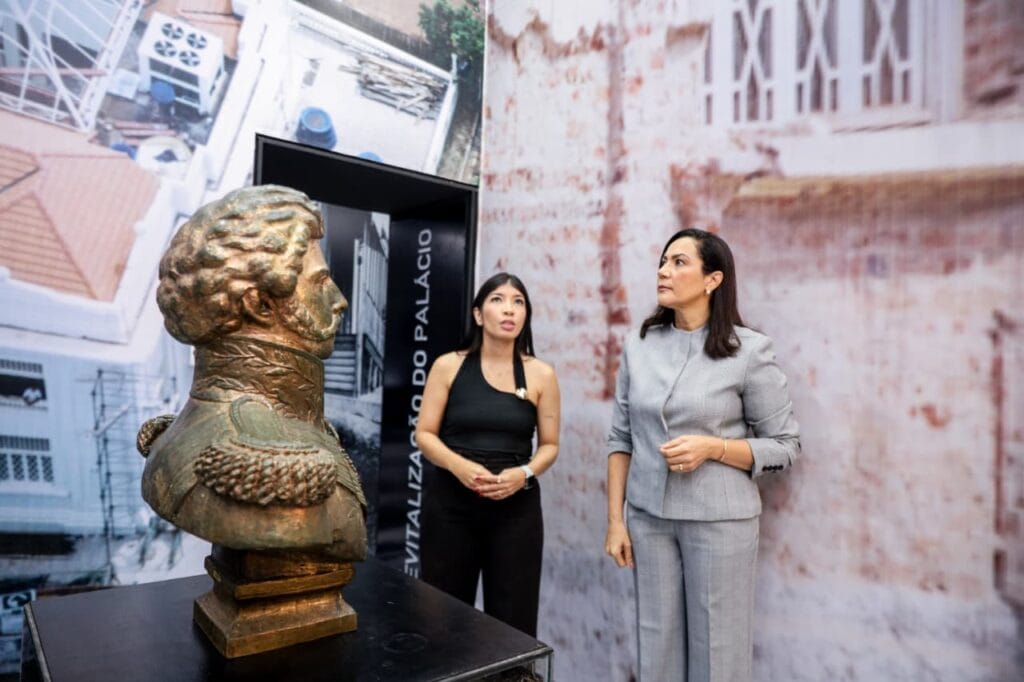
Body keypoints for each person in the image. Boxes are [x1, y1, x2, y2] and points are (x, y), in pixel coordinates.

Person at [605, 228, 800, 681]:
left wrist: (714, 448)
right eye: (663, 261)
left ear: (713, 279)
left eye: (679, 262)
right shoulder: (639, 344)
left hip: (720, 524)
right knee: (656, 652)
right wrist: (616, 521)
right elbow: (620, 439)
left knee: (719, 654)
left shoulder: (749, 351)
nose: (663, 271)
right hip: (648, 520)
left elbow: (786, 446)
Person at [138, 185, 366, 561]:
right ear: (260, 305)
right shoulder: (248, 453)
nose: (339, 300)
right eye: (320, 282)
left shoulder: (269, 425)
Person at [416, 273, 560, 637]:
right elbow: (425, 434)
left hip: (516, 512)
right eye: (498, 300)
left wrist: (523, 474)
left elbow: (549, 446)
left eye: (518, 302)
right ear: (478, 314)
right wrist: (460, 466)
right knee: (441, 620)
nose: (509, 309)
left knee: (513, 626)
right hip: (451, 508)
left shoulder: (541, 374)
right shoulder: (448, 366)